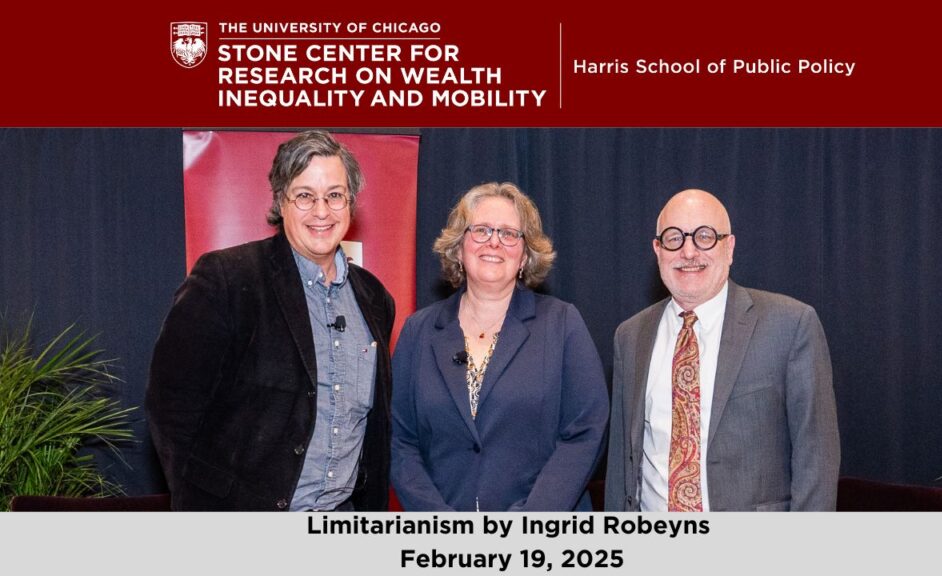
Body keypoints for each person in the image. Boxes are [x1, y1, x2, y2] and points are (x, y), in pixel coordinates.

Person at [146, 130, 395, 511]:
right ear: (281, 200)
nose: (322, 211)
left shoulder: (375, 299)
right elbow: (172, 408)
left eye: (334, 195)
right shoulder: (227, 279)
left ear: (351, 203)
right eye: (305, 196)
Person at [605, 189, 840, 511]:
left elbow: (817, 458)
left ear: (728, 247)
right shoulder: (630, 337)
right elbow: (621, 463)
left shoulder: (790, 325)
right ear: (657, 250)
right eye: (674, 238)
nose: (688, 252)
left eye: (704, 236)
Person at [391, 182, 608, 511]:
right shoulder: (419, 331)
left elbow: (586, 430)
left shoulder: (562, 323)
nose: (494, 241)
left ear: (524, 254)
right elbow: (399, 440)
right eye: (480, 230)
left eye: (509, 234)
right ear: (459, 247)